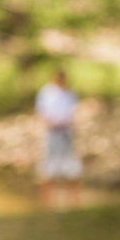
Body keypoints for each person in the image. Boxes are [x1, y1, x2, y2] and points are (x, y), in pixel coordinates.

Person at [34, 68, 82, 206]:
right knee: (48, 169)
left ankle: (73, 202)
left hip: (66, 134)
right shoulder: (46, 93)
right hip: (51, 135)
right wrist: (52, 124)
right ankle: (47, 202)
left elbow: (74, 115)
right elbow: (41, 114)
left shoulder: (70, 94)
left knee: (72, 169)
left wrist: (65, 124)